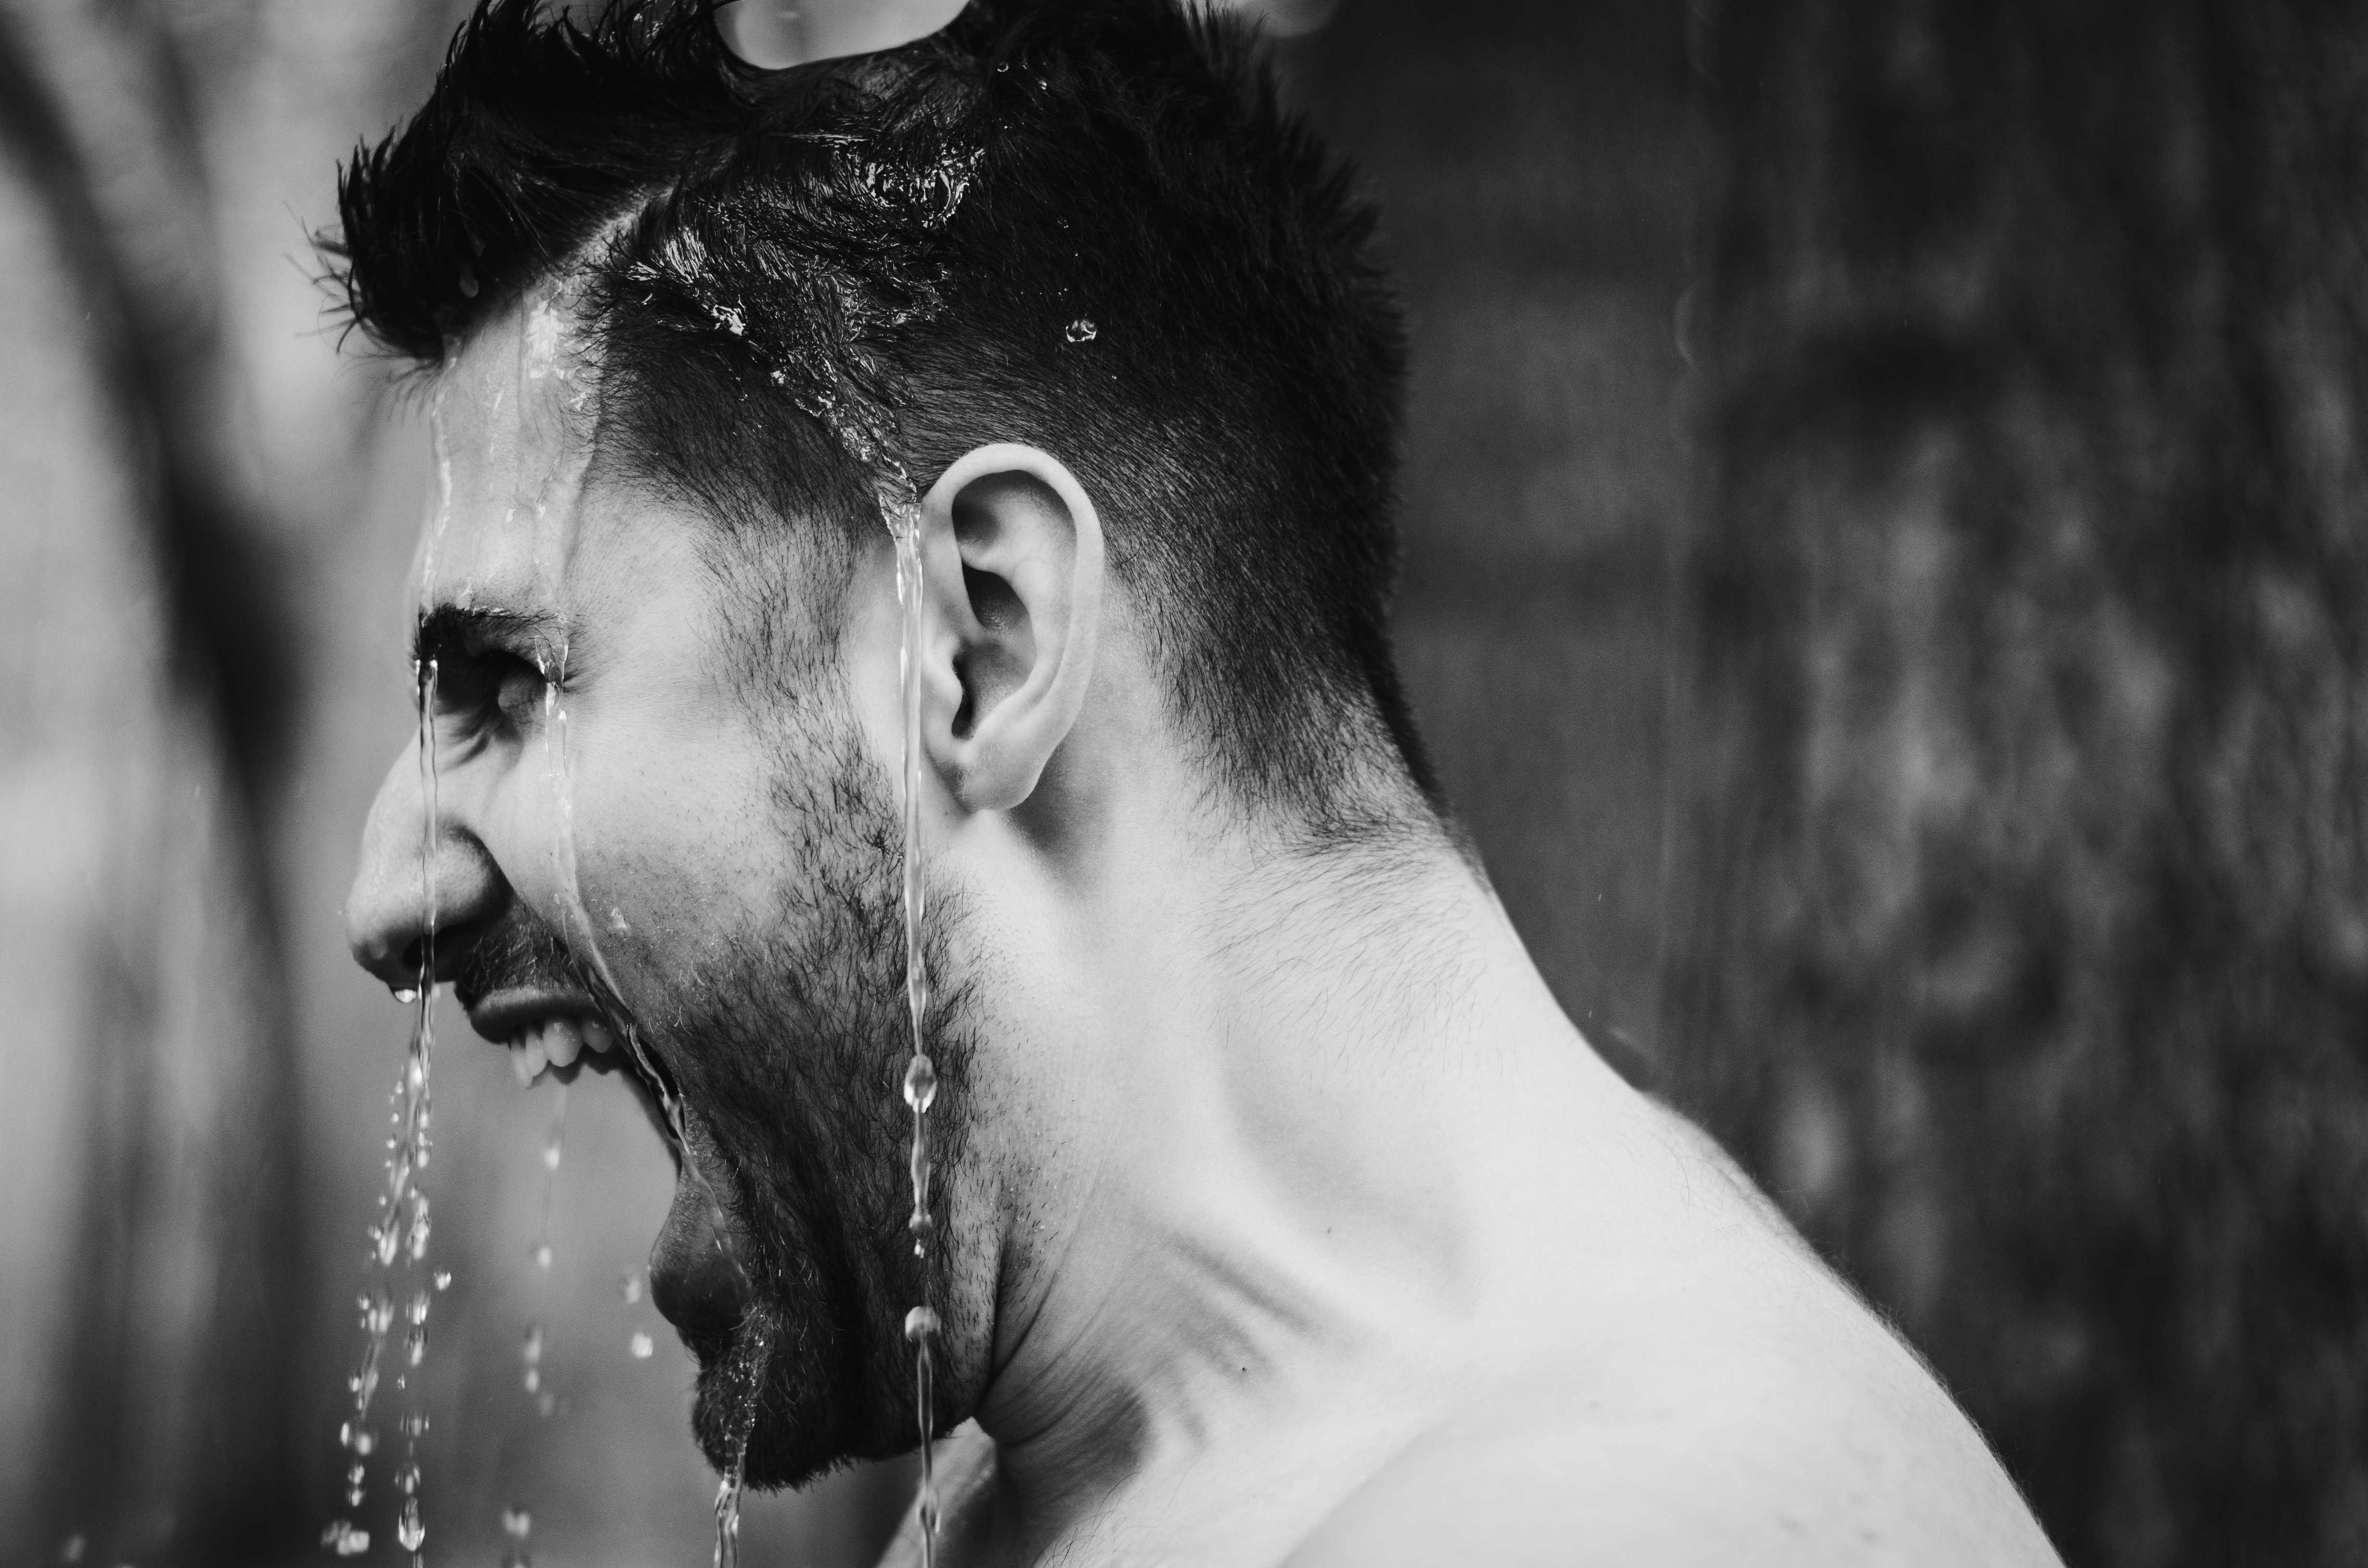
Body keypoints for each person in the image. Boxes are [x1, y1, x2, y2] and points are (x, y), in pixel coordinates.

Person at [339, 0, 2062, 1561]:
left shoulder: (1619, 1523)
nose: (388, 897)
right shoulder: (1092, 1463)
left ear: (981, 641)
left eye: (512, 680)